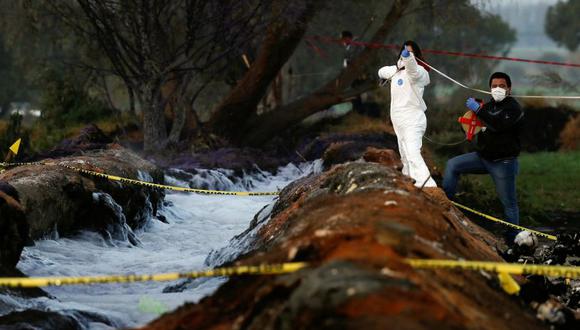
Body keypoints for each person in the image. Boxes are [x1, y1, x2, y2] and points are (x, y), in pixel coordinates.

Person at [443, 72, 524, 242]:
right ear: (490, 88)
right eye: (494, 86)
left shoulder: (513, 108)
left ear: (509, 89)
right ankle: (444, 206)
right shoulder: (488, 107)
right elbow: (474, 126)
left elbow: (498, 124)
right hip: (482, 158)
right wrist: (466, 124)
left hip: (504, 163)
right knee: (452, 165)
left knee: (509, 205)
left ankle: (513, 241)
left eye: (501, 86)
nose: (497, 89)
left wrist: (478, 110)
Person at [377, 40, 436, 187]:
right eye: (404, 51)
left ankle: (428, 185)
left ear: (416, 55)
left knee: (412, 152)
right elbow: (381, 71)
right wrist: (396, 67)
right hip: (398, 119)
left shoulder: (421, 72)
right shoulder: (395, 71)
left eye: (411, 52)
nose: (407, 54)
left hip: (413, 118)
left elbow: (412, 70)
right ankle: (409, 183)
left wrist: (408, 59)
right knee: (404, 154)